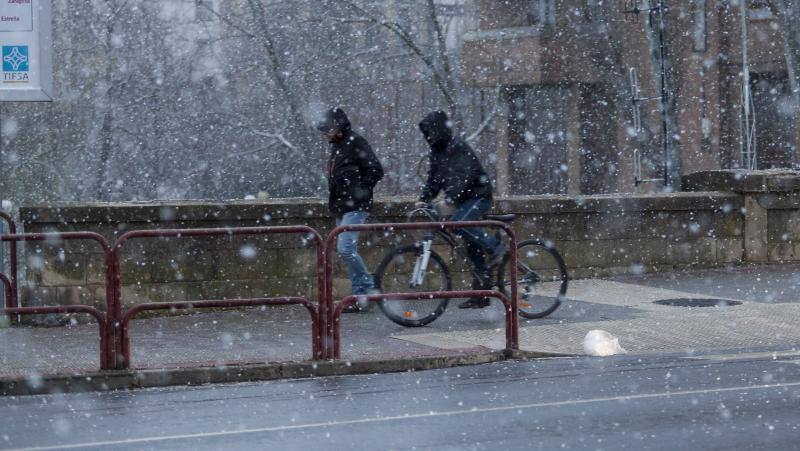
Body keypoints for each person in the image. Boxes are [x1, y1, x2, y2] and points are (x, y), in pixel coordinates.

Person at [414, 110, 505, 309]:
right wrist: (424, 199)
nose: (428, 137)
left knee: (459, 224)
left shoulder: (457, 148)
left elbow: (462, 176)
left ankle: (495, 247)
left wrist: (450, 198)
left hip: (478, 196)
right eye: (426, 133)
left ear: (438, 130)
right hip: (463, 199)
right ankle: (481, 293)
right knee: (472, 245)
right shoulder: (437, 153)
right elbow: (434, 180)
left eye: (430, 132)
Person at [317, 107, 384, 313]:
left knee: (345, 248)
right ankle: (359, 296)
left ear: (339, 126)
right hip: (342, 206)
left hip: (355, 205)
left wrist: (360, 192)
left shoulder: (356, 142)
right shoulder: (337, 146)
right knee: (347, 250)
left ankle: (368, 290)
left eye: (329, 129)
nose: (327, 133)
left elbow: (376, 170)